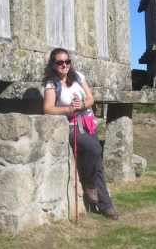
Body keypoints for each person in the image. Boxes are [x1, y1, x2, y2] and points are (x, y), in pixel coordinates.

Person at [42, 48, 119, 220]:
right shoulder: (51, 84)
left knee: (97, 162)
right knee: (95, 149)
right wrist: (68, 109)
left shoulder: (77, 76)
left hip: (88, 122)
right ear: (53, 64)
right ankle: (90, 185)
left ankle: (106, 205)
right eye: (60, 62)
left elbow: (91, 98)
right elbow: (47, 109)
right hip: (72, 126)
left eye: (67, 61)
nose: (64, 65)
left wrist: (83, 104)